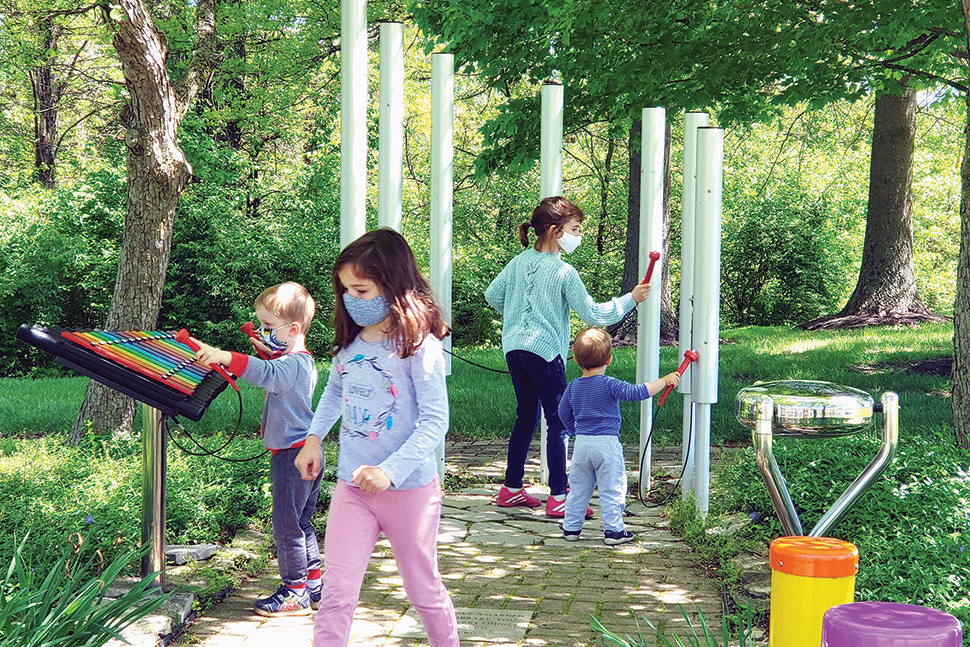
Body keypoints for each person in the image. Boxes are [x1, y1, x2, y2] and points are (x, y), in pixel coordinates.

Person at [294, 228, 459, 647]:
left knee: (423, 590)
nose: (352, 298)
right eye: (346, 290)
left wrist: (389, 470)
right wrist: (314, 438)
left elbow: (435, 421)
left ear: (392, 284)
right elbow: (334, 391)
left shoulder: (419, 345)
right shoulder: (349, 343)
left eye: (361, 289)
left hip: (410, 492)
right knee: (337, 592)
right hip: (352, 488)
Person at [485, 196, 651, 518]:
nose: (579, 235)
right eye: (575, 229)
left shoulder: (518, 262)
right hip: (545, 353)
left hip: (514, 349)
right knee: (557, 421)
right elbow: (594, 314)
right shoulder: (563, 272)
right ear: (555, 231)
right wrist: (631, 298)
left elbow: (493, 295)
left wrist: (517, 318)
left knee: (525, 417)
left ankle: (512, 489)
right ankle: (559, 495)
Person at [191, 282, 322, 616]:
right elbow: (275, 369)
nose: (262, 332)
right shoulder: (300, 361)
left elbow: (266, 373)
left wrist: (225, 357)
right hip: (305, 451)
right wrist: (271, 349)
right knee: (302, 522)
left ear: (293, 329)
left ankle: (295, 592)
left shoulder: (287, 367)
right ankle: (313, 583)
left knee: (286, 527)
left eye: (267, 327)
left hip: (292, 456)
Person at [557, 327, 681, 545]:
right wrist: (664, 380)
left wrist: (575, 431)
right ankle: (614, 531)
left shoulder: (573, 386)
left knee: (578, 489)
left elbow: (562, 412)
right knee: (612, 487)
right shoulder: (609, 383)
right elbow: (637, 392)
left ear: (575, 359)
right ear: (609, 360)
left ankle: (571, 528)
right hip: (607, 444)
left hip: (582, 445)